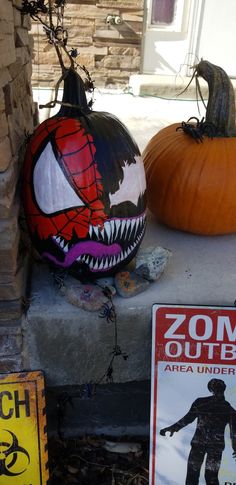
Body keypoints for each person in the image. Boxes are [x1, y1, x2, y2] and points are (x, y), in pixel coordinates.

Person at [160, 379, 236, 485]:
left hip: (210, 446)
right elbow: (188, 418)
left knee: (207, 477)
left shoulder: (226, 409)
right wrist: (173, 428)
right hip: (205, 445)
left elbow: (234, 433)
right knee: (199, 475)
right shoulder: (205, 404)